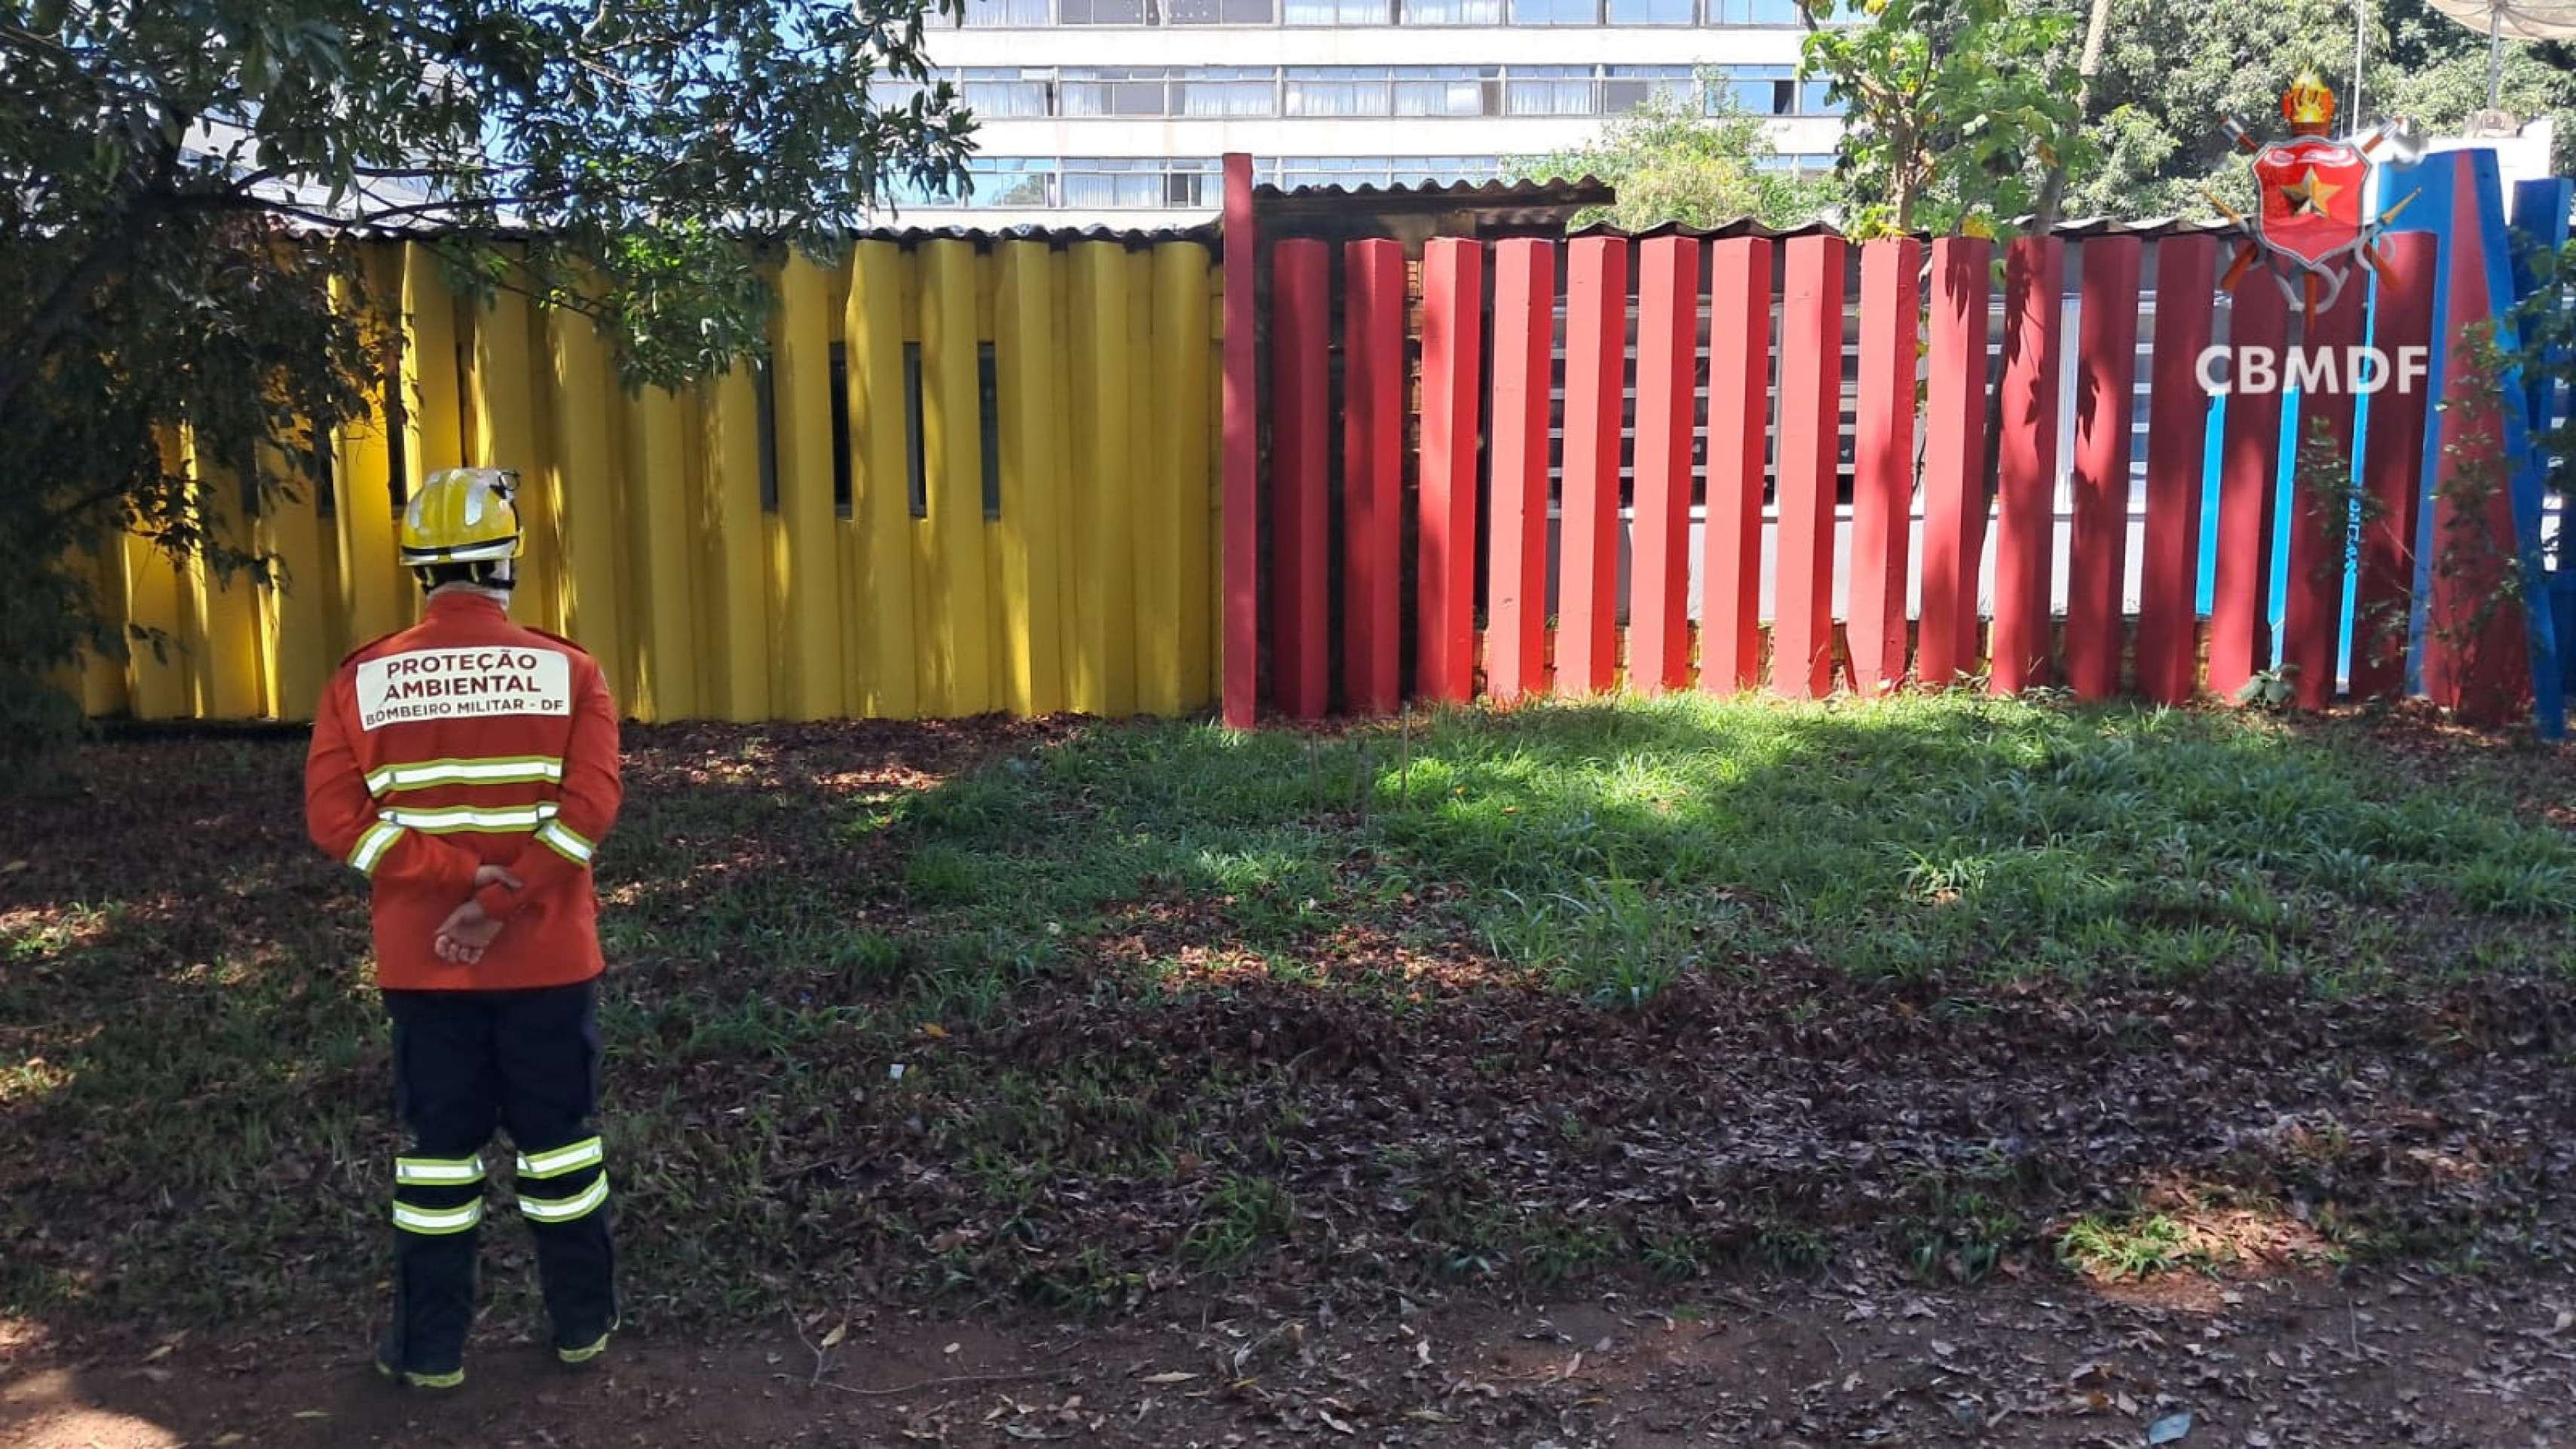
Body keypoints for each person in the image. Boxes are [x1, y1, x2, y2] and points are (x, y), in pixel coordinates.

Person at [304, 467, 623, 1389]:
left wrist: (454, 885)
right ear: (505, 562)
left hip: (421, 966)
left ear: (419, 570)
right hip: (550, 958)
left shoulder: (361, 678)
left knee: (438, 1162)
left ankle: (431, 1349)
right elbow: (588, 811)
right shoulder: (570, 670)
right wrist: (502, 901)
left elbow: (339, 825)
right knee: (560, 1143)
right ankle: (582, 1324)